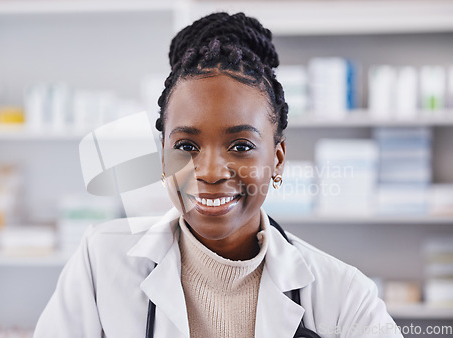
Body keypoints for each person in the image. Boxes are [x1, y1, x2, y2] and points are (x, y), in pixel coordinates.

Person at [34, 12, 403, 338]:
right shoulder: (101, 263)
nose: (209, 172)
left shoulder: (343, 295)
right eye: (186, 147)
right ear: (162, 159)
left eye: (240, 146)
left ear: (277, 159)